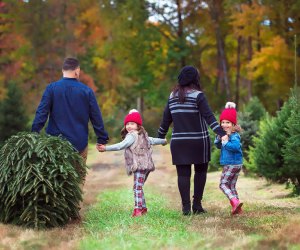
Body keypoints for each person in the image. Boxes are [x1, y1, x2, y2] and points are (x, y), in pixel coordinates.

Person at [157, 65, 226, 215]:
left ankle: (186, 207)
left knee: (183, 175)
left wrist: (160, 137)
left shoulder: (172, 97)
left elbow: (165, 120)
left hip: (179, 142)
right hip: (198, 141)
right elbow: (209, 117)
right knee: (200, 172)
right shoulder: (198, 95)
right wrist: (221, 132)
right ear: (195, 79)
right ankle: (197, 205)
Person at [32, 57, 109, 165]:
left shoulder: (51, 89)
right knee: (77, 179)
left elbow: (41, 113)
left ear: (63, 70)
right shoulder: (86, 91)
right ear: (77, 71)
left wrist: (34, 134)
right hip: (79, 144)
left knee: (56, 179)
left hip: (54, 145)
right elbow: (96, 117)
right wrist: (102, 139)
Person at [97, 109, 167, 217]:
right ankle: (143, 208)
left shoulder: (131, 136)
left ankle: (138, 210)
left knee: (137, 188)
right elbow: (153, 140)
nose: (129, 126)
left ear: (138, 125)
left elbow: (121, 145)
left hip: (139, 165)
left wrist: (106, 148)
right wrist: (163, 141)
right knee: (139, 187)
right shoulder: (143, 135)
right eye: (127, 124)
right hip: (147, 165)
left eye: (132, 124)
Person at [214, 102, 243, 215]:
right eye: (223, 122)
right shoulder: (225, 134)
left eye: (228, 122)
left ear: (233, 124)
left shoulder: (234, 135)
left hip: (232, 163)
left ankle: (235, 202)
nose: (225, 125)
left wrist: (225, 142)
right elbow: (218, 146)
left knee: (223, 184)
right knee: (231, 186)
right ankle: (237, 209)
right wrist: (218, 138)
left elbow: (235, 147)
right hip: (234, 163)